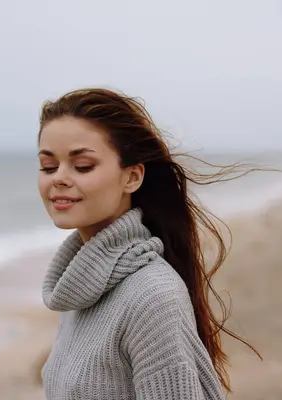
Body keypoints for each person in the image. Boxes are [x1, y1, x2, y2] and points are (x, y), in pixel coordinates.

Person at [37, 88, 258, 399]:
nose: (58, 178)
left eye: (83, 165)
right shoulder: (80, 287)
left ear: (132, 177)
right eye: (48, 166)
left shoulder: (152, 296)